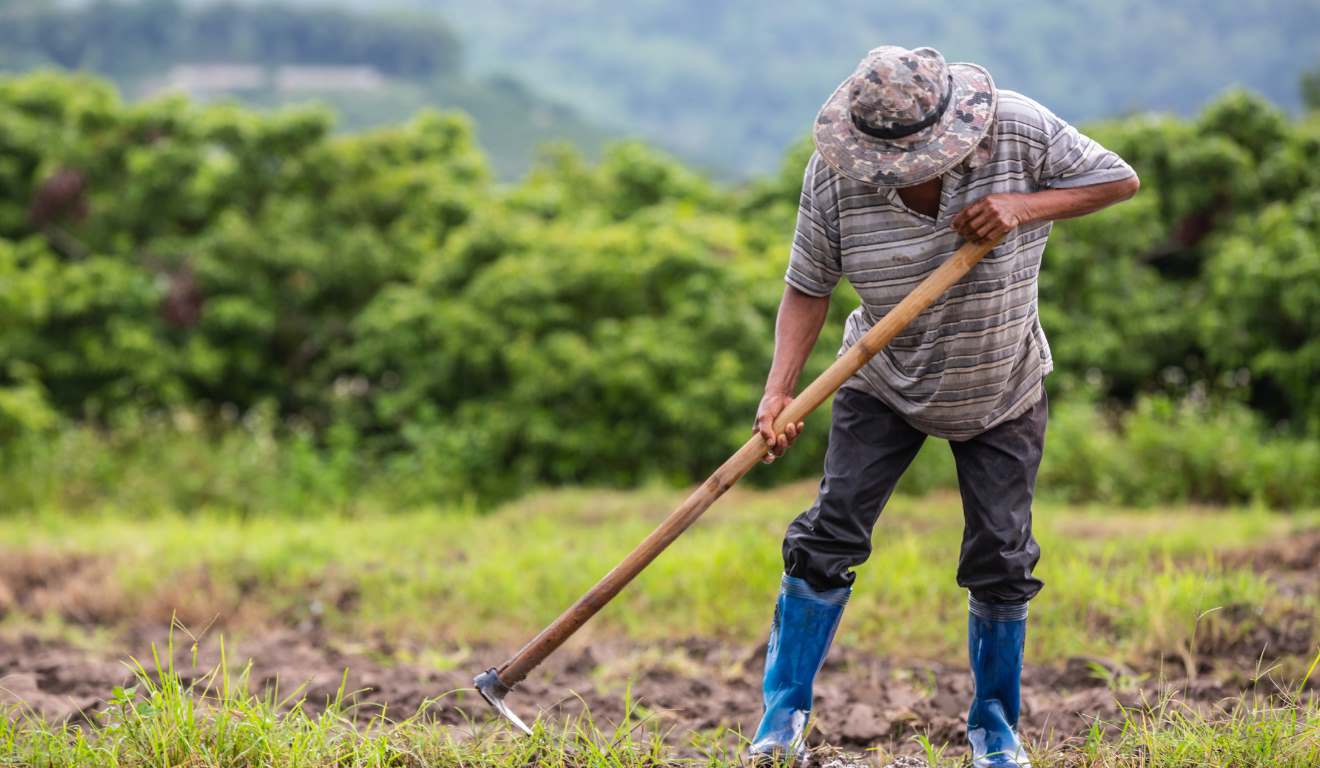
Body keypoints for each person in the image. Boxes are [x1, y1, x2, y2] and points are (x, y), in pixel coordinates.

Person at [747, 46, 1140, 767]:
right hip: (882, 377)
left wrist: (1022, 206)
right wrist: (779, 391)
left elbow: (1118, 179)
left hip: (1002, 382)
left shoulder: (1018, 130)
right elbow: (808, 285)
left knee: (1001, 556)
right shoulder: (835, 176)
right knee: (829, 535)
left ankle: (995, 728)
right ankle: (781, 721)